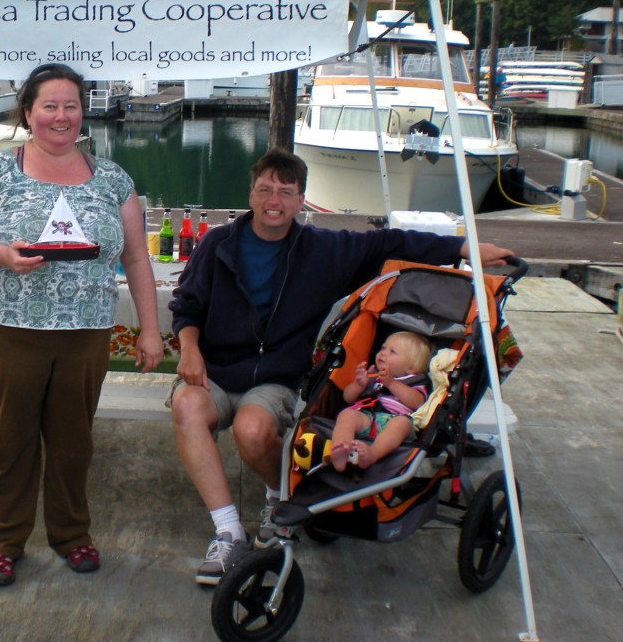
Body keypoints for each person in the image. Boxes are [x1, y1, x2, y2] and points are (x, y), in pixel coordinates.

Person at [168, 147, 513, 586]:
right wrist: (190, 347)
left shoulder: (324, 249)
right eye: (265, 189)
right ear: (251, 194)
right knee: (186, 409)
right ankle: (228, 531)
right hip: (215, 368)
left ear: (301, 200)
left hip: (276, 377)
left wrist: (467, 247)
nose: (274, 200)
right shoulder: (218, 242)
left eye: (286, 192)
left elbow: (393, 243)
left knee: (252, 432)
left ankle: (280, 497)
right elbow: (187, 305)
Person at [0, 63, 163, 587]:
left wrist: (150, 329)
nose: (60, 116)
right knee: (11, 438)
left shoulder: (112, 178)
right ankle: (5, 540)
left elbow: (135, 259)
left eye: (70, 106)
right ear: (28, 112)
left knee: (72, 439)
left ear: (82, 113)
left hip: (86, 331)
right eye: (49, 106)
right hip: (8, 326)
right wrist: (2, 254)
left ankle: (71, 533)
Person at [330, 331, 432, 473]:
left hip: (394, 421)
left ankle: (373, 454)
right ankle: (341, 448)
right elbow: (347, 398)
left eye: (392, 352)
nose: (383, 353)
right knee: (346, 415)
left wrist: (391, 384)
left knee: (402, 424)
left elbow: (417, 402)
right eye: (383, 348)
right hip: (368, 417)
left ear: (411, 367)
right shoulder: (373, 377)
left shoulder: (414, 381)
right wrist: (359, 385)